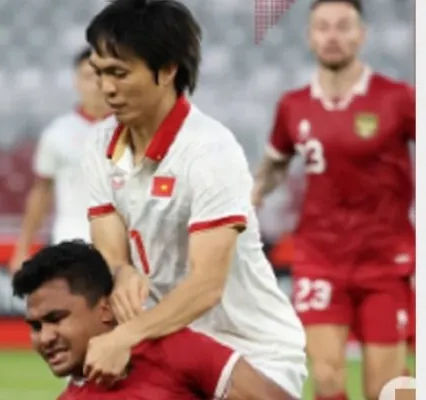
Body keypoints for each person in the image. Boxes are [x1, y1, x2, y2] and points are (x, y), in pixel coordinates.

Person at [79, 0, 307, 397]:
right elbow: (109, 246)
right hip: (168, 341)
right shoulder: (100, 144)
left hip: (252, 349)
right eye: (100, 73)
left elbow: (206, 285)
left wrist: (125, 336)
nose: (107, 88)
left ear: (167, 71)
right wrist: (120, 272)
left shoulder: (209, 151)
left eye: (119, 72)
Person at [251, 1, 415, 399]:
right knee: (326, 379)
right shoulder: (294, 106)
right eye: (323, 27)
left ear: (362, 35)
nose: (333, 36)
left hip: (384, 260)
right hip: (319, 257)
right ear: (310, 37)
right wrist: (247, 203)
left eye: (343, 26)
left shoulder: (398, 99)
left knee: (386, 388)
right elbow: (275, 165)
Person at [12, 240, 296, 400]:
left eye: (56, 319)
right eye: (35, 327)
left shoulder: (172, 348)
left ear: (105, 309)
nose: (45, 337)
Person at [9, 47, 111, 274]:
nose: (95, 84)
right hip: (71, 240)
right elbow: (42, 190)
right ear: (76, 81)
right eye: (88, 76)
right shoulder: (58, 133)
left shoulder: (133, 130)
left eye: (102, 75)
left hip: (123, 245)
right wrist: (23, 246)